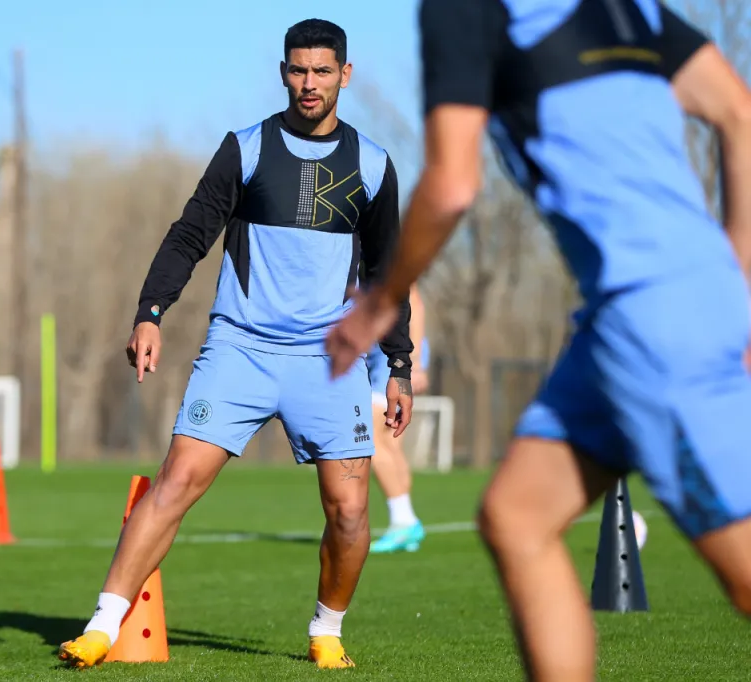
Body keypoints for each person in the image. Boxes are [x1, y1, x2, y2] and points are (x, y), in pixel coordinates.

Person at [325, 1, 751, 680]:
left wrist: (382, 300)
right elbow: (739, 112)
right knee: (518, 517)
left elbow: (452, 184)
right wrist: (737, 283)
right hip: (633, 315)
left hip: (653, 319)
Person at [58, 18, 414, 671]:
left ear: (345, 75)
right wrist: (150, 313)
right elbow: (189, 234)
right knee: (175, 482)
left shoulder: (373, 164)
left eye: (322, 71)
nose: (309, 83)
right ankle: (103, 626)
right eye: (298, 70)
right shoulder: (245, 149)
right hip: (240, 350)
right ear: (283, 73)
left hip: (329, 361)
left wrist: (399, 366)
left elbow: (388, 274)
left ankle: (327, 630)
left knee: (350, 510)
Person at [367, 283, 430, 553]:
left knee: (369, 436)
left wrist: (414, 361)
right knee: (390, 443)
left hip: (395, 350)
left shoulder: (384, 258)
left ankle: (404, 521)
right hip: (376, 348)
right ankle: (405, 523)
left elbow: (413, 300)